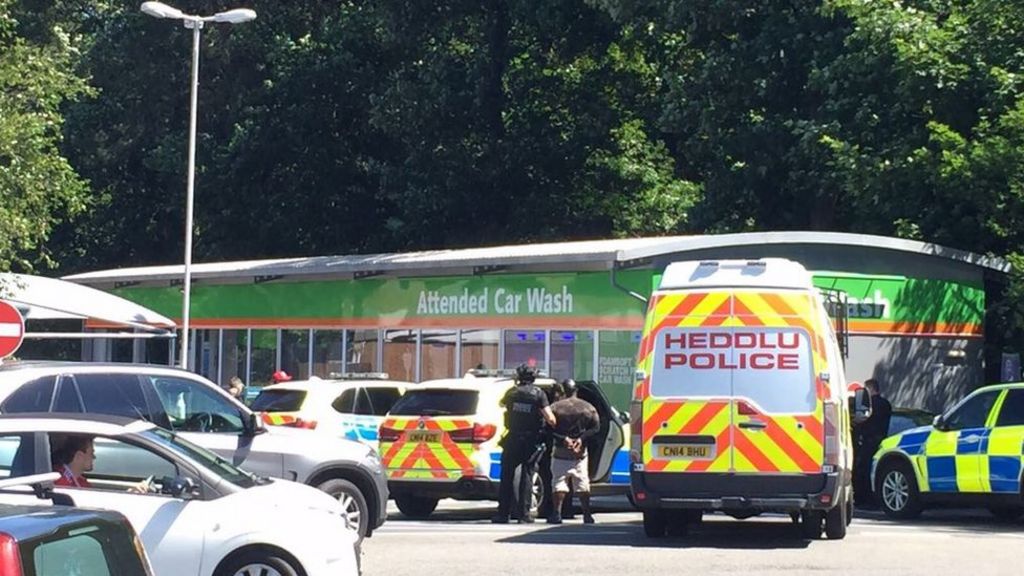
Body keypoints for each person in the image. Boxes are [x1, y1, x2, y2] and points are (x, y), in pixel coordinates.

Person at [492, 363, 556, 524]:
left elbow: (501, 404)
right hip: (531, 440)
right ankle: (524, 515)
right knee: (527, 476)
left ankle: (502, 514)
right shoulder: (538, 394)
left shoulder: (511, 393)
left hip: (512, 438)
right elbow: (551, 419)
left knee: (506, 476)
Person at [547, 378, 600, 524]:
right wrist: (581, 439)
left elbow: (546, 429)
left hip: (560, 451)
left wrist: (564, 439)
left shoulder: (555, 407)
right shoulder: (588, 407)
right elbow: (596, 428)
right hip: (580, 452)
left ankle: (556, 514)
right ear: (576, 390)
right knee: (582, 483)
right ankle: (587, 515)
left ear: (563, 391)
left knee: (558, 482)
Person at [51, 434, 151, 493]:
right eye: (91, 453)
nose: (94, 457)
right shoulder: (59, 483)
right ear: (79, 456)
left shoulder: (79, 481)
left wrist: (130, 494)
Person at [854, 378, 892, 507]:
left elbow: (862, 422)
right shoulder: (886, 404)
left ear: (870, 389)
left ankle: (864, 500)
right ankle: (874, 500)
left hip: (868, 441)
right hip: (882, 441)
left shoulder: (869, 406)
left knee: (863, 470)